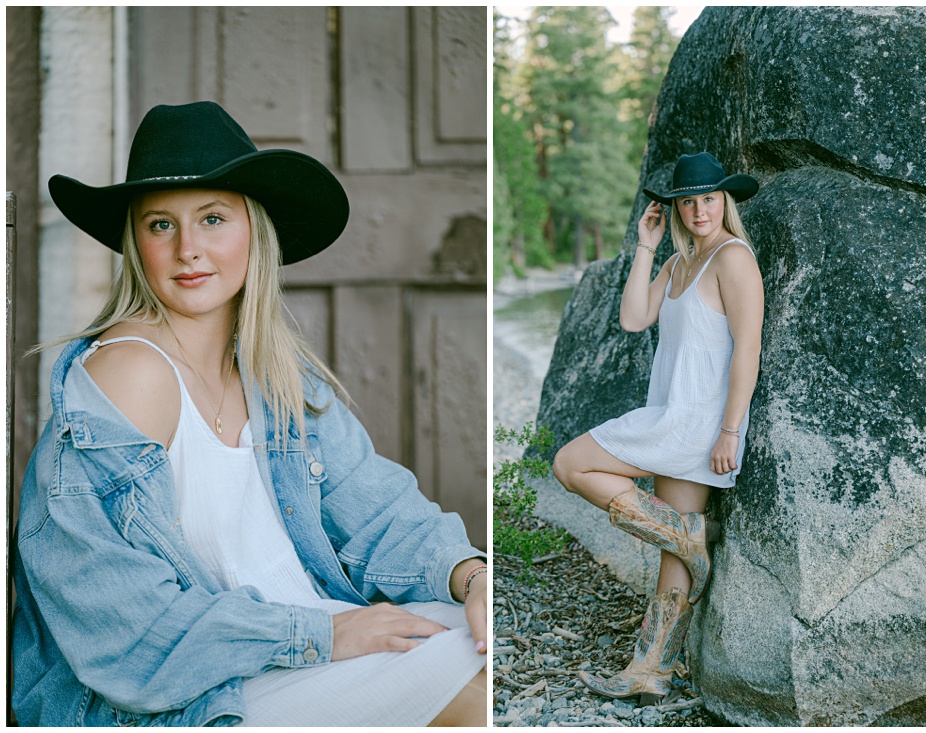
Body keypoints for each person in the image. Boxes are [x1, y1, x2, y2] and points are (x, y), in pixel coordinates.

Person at [11, 101, 487, 727]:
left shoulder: (277, 375)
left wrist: (470, 575)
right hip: (196, 689)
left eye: (212, 218)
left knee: (488, 640)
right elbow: (122, 624)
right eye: (160, 225)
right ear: (136, 243)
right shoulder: (129, 373)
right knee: (473, 702)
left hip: (305, 641)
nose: (188, 250)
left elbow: (376, 510)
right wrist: (322, 634)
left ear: (253, 232)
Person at [552, 152, 764, 705]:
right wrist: (646, 246)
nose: (699, 209)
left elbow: (749, 349)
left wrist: (730, 432)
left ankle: (687, 538)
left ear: (726, 201)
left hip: (697, 424)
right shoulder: (678, 262)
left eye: (709, 198)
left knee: (570, 464)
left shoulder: (732, 257)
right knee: (674, 557)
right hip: (670, 415)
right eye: (688, 200)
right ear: (673, 207)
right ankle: (652, 670)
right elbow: (632, 318)